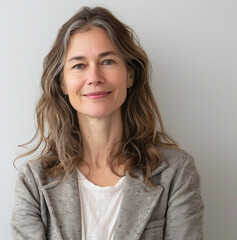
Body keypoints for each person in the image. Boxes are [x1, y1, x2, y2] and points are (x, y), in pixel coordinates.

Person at [11, 6, 204, 240]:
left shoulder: (176, 173)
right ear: (62, 83)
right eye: (79, 65)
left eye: (108, 61)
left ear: (130, 75)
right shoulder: (34, 181)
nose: (94, 77)